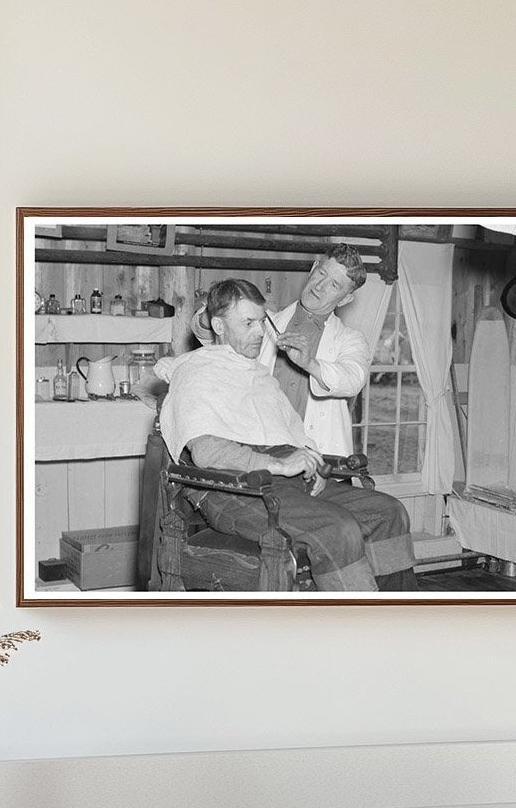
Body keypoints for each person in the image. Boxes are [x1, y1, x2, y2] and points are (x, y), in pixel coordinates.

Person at [156, 279, 416, 592]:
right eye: (247, 323)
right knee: (339, 529)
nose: (258, 332)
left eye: (261, 321)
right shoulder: (196, 373)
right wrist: (280, 466)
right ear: (218, 325)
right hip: (236, 490)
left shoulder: (258, 375)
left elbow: (290, 433)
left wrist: (313, 460)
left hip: (287, 484)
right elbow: (209, 454)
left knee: (389, 513)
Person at [191, 244, 370, 456]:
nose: (320, 286)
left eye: (334, 285)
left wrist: (309, 363)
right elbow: (209, 337)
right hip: (263, 452)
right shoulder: (266, 322)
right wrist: (211, 314)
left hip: (323, 458)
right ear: (313, 267)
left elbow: (353, 379)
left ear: (345, 298)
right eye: (321, 273)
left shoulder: (351, 339)